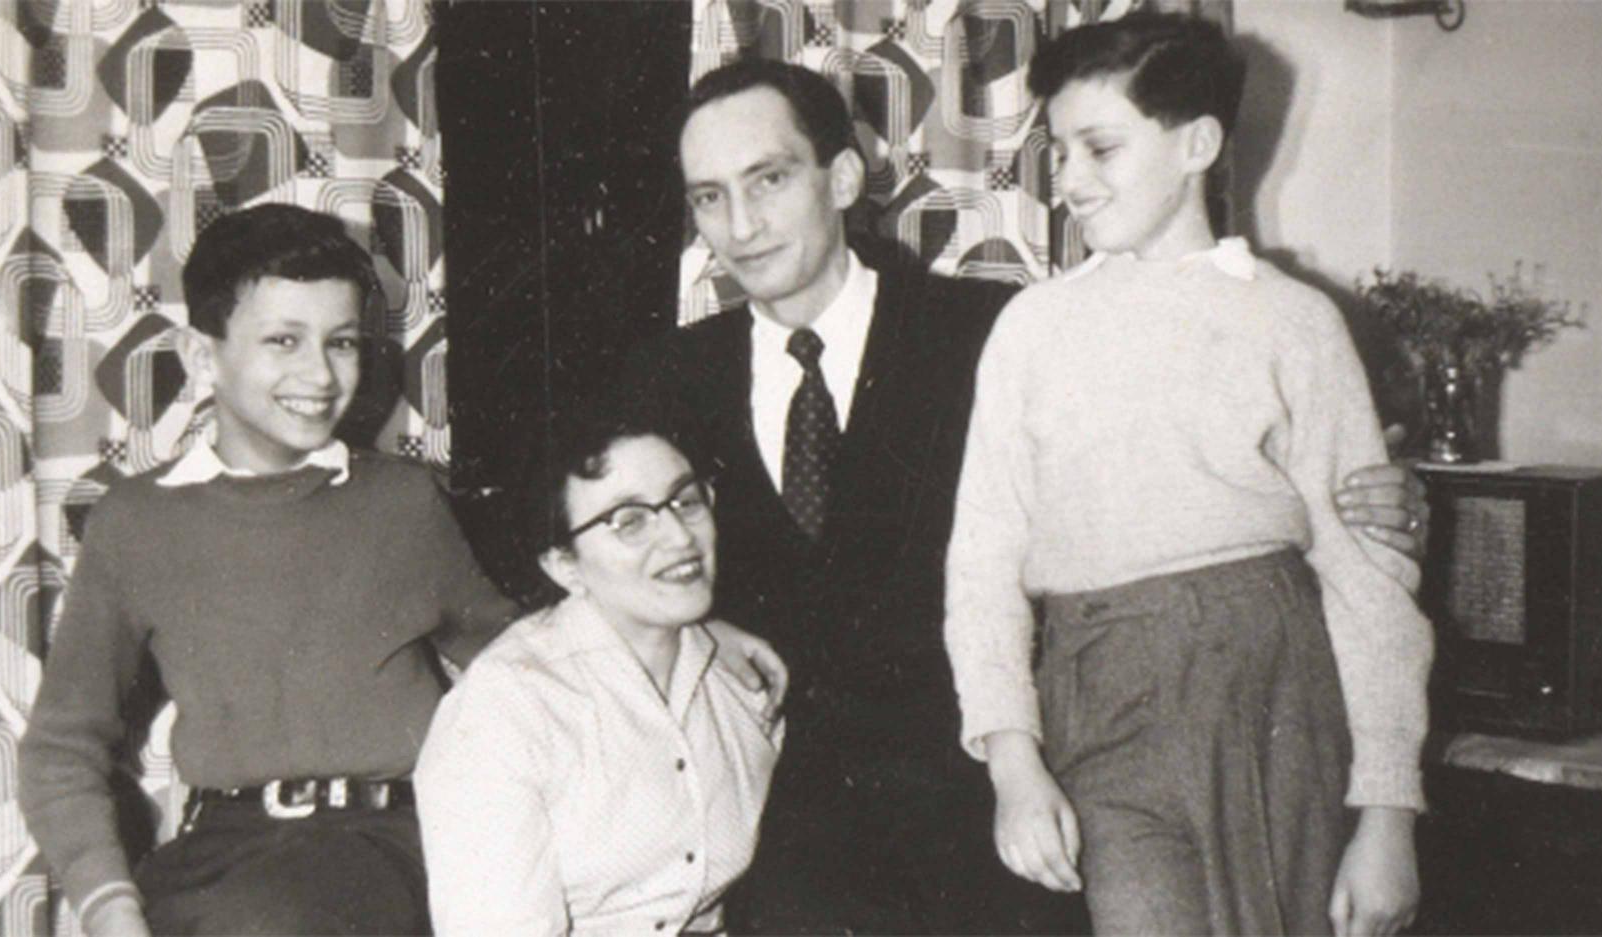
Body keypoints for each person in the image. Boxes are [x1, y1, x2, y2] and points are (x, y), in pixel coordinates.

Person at [623, 58, 1430, 935]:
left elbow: (1194, 461)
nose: (739, 226)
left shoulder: (996, 328)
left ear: (843, 176)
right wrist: (692, 620)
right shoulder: (668, 378)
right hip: (800, 812)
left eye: (768, 180)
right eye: (707, 198)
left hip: (1015, 784)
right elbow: (562, 545)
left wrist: (1385, 498)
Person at [19, 204, 784, 937]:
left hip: (391, 842)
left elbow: (528, 652)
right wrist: (110, 906)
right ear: (200, 354)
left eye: (343, 341)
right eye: (283, 341)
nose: (320, 374)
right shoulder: (136, 523)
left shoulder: (400, 499)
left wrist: (686, 625)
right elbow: (62, 749)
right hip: (224, 853)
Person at [944, 14, 1431, 937]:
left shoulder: (1296, 323)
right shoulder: (1031, 332)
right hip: (1101, 690)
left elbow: (1369, 582)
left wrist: (1388, 815)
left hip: (1279, 689)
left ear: (1198, 143)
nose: (1071, 180)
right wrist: (1013, 762)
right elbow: (981, 564)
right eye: (1060, 151)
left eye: (1102, 148)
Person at [415, 415, 782, 935]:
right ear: (564, 566)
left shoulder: (741, 681)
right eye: (629, 521)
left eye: (687, 500)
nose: (679, 536)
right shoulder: (509, 709)